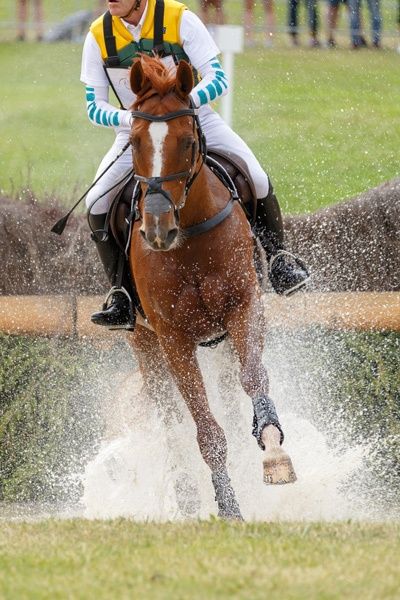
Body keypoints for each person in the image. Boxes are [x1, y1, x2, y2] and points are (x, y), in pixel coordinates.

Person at [81, 0, 310, 327]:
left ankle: (279, 259)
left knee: (256, 177)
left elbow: (218, 79)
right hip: (138, 130)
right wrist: (132, 118)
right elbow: (93, 106)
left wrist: (181, 108)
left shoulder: (179, 18)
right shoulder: (97, 35)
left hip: (195, 120)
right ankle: (121, 295)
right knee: (96, 201)